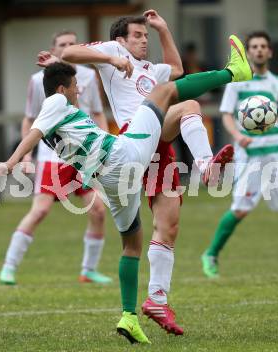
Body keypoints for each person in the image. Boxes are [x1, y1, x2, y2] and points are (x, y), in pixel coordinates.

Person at [0, 34, 251, 343]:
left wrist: (55, 65)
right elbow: (34, 130)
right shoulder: (56, 101)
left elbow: (46, 130)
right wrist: (11, 162)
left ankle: (129, 316)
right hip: (124, 154)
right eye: (75, 86)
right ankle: (233, 74)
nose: (80, 89)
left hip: (111, 183)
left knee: (132, 245)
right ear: (63, 89)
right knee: (170, 93)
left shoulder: (59, 111)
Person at [41, 10, 226, 335]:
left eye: (145, 36)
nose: (143, 41)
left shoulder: (151, 69)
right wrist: (111, 60)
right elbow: (69, 53)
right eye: (138, 36)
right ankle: (205, 162)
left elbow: (179, 70)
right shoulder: (113, 52)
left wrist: (164, 29)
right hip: (134, 138)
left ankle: (156, 299)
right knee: (189, 106)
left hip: (160, 144)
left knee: (168, 225)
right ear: (121, 40)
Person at [201, 31, 278, 279]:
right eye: (254, 46)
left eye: (263, 46)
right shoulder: (238, 81)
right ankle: (210, 254)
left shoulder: (277, 82)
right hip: (249, 155)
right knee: (241, 210)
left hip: (277, 152)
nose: (258, 50)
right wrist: (237, 134)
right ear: (249, 51)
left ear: (270, 51)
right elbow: (225, 115)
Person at [0, 30, 112, 286]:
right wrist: (25, 155)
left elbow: (94, 113)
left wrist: (102, 149)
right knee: (40, 210)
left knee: (97, 210)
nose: (68, 47)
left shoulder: (87, 77)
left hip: (82, 156)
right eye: (63, 44)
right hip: (53, 156)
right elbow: (31, 119)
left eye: (73, 44)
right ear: (54, 48)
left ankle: (88, 270)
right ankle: (9, 266)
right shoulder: (38, 80)